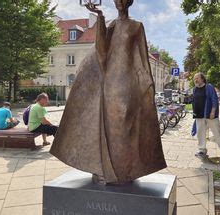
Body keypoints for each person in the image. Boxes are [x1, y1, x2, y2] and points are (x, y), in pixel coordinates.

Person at [50, 0, 166, 185]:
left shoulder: (137, 26)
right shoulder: (111, 25)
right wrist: (100, 18)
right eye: (116, 0)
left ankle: (125, 170)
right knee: (108, 123)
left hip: (126, 81)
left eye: (122, 0)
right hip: (110, 80)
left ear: (129, 2)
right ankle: (104, 169)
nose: (119, 3)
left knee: (125, 124)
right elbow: (101, 51)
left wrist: (147, 84)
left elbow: (143, 58)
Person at [192, 73, 220, 158]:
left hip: (210, 114)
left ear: (202, 79)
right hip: (199, 115)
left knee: (217, 132)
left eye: (197, 78)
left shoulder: (209, 87)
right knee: (200, 134)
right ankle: (202, 150)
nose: (195, 80)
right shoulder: (194, 89)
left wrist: (213, 111)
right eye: (194, 79)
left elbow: (214, 99)